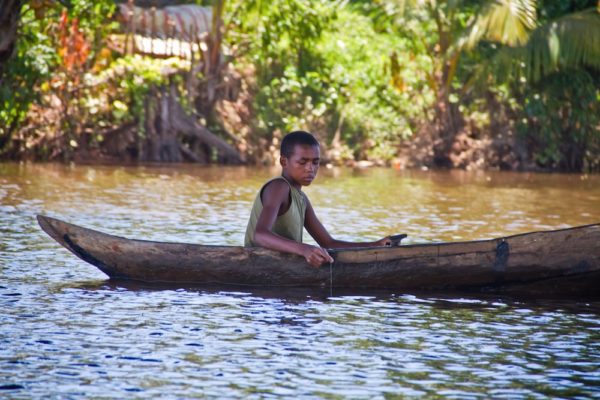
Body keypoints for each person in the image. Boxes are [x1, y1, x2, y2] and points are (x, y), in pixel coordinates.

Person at [244, 130, 391, 267]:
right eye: (303, 162)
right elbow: (260, 235)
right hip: (259, 265)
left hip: (282, 267)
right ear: (284, 162)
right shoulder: (278, 187)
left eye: (315, 162)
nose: (310, 168)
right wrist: (304, 250)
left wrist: (375, 245)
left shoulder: (302, 199)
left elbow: (329, 243)